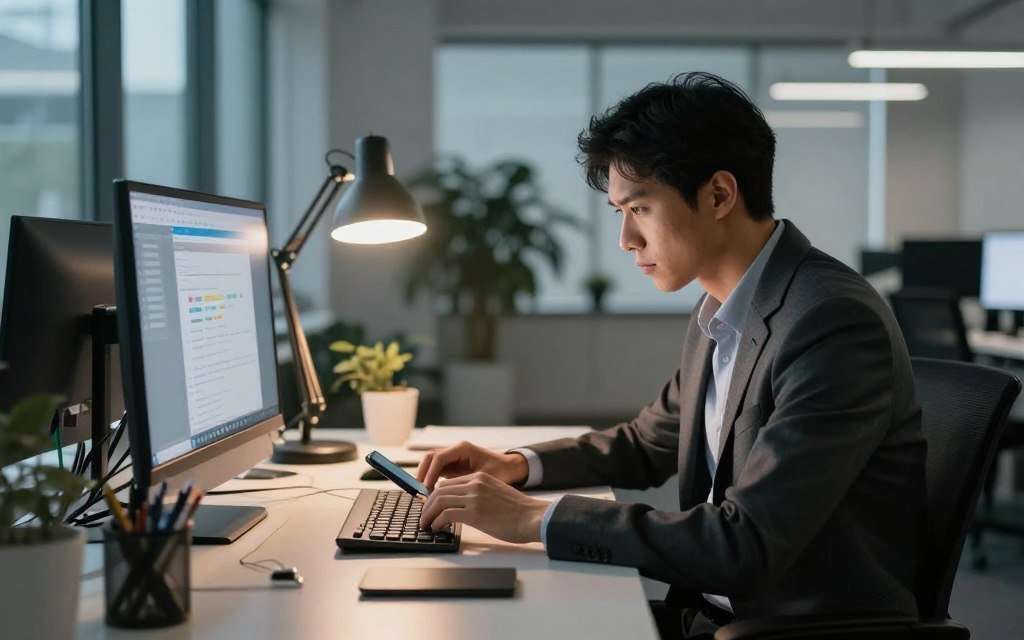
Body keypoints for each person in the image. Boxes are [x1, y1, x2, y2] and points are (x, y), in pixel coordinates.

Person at [416, 72, 926, 639]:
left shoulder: (829, 319)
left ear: (718, 195)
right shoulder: (721, 306)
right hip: (711, 613)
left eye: (640, 209)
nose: (626, 241)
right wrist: (514, 463)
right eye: (619, 214)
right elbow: (646, 443)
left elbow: (745, 543)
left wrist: (534, 517)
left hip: (793, 627)